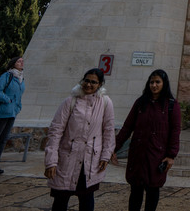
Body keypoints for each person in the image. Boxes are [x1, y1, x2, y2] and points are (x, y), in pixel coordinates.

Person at [44, 68, 115, 211]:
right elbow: (55, 131)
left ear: (100, 84)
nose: (89, 85)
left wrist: (106, 155)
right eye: (87, 80)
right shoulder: (70, 101)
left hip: (90, 161)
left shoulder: (105, 103)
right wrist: (51, 160)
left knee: (87, 199)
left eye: (93, 82)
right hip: (67, 158)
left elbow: (108, 131)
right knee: (61, 198)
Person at [112, 70, 180, 211]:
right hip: (138, 154)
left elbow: (175, 131)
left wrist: (171, 155)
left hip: (156, 155)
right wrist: (114, 148)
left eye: (157, 82)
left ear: (164, 84)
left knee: (152, 190)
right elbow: (127, 127)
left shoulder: (171, 105)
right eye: (151, 82)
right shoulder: (140, 103)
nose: (154, 85)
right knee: (135, 191)